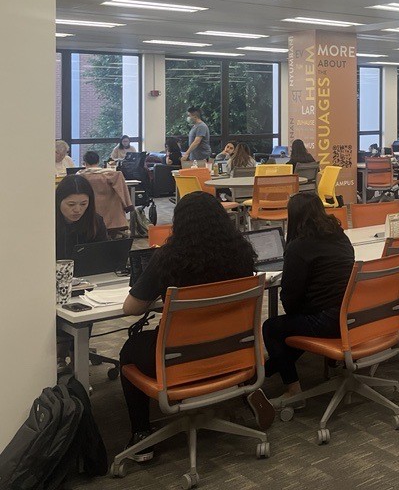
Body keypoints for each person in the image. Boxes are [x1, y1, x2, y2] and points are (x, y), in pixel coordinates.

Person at [119, 193, 258, 459]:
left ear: (179, 223)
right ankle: (241, 392)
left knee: (129, 351)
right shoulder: (241, 253)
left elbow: (131, 308)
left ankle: (141, 435)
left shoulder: (169, 258)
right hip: (231, 350)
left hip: (177, 359)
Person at [256, 194, 354, 407]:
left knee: (272, 328)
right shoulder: (340, 236)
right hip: (352, 316)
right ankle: (268, 369)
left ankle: (293, 392)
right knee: (295, 325)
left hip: (327, 320)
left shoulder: (298, 247)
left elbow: (290, 299)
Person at [56, 174, 108, 260]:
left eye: (83, 204)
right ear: (58, 201)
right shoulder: (47, 223)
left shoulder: (95, 221)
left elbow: (104, 254)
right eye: (71, 204)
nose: (77, 210)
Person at [79, 150, 133, 234]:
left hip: (91, 214)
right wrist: (127, 206)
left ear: (84, 163)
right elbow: (123, 192)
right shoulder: (114, 174)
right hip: (112, 215)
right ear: (98, 161)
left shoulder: (80, 176)